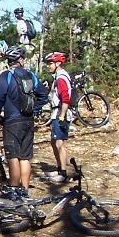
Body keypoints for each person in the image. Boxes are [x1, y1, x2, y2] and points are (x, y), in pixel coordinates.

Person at [0, 46, 48, 198]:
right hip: (28, 120)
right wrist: (34, 110)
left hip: (11, 121)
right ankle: (25, 190)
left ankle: (14, 189)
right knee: (25, 156)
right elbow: (43, 96)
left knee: (12, 155)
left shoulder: (5, 76)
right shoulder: (31, 76)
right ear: (21, 60)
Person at [43, 52, 73, 183]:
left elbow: (65, 98)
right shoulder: (58, 77)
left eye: (50, 64)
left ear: (58, 64)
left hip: (60, 114)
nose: (48, 66)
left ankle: (63, 173)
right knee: (54, 142)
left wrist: (62, 115)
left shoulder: (61, 78)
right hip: (56, 113)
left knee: (59, 143)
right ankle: (59, 168)